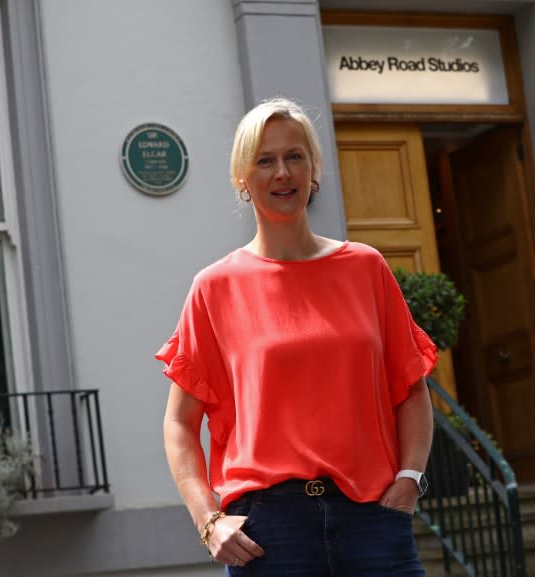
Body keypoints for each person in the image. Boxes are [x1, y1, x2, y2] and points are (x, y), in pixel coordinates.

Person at [156, 97, 436, 576]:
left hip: (373, 520)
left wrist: (410, 477)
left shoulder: (365, 268)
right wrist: (208, 521)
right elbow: (180, 424)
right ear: (242, 180)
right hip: (268, 534)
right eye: (264, 160)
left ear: (313, 169)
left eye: (294, 156)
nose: (281, 172)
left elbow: (411, 388)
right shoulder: (215, 287)